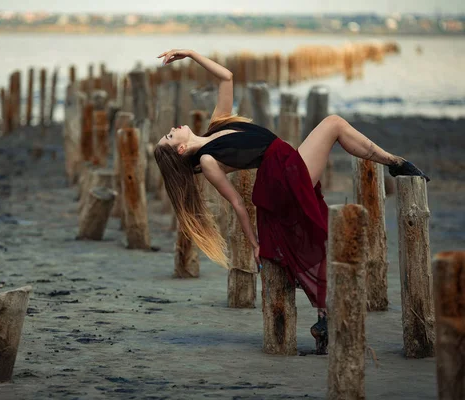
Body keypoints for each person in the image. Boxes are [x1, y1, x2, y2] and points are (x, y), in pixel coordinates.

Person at [153, 49, 429, 354]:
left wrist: (191, 54)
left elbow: (227, 77)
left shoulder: (218, 123)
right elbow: (237, 204)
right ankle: (395, 162)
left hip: (285, 162)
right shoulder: (207, 160)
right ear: (179, 152)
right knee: (334, 123)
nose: (173, 129)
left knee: (333, 132)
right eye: (169, 136)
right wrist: (255, 243)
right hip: (279, 178)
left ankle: (324, 318)